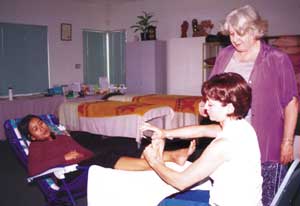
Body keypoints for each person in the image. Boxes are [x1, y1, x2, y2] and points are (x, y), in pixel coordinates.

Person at [201, 5, 298, 206]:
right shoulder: (225, 55)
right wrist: (205, 104)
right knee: (232, 196)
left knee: (267, 199)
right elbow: (213, 89)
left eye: (241, 33)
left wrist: (287, 142)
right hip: (230, 140)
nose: (235, 39)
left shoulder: (276, 58)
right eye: (232, 33)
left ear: (255, 30)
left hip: (265, 142)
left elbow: (291, 102)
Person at [141, 72, 262, 206]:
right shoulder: (242, 127)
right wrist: (164, 132)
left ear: (229, 108)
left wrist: (154, 162)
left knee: (164, 203)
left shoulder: (223, 145)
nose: (204, 108)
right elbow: (202, 130)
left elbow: (181, 182)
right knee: (172, 198)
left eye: (210, 105)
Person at [17, 114, 195, 177]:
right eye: (36, 129)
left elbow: (83, 147)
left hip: (87, 155)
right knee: (108, 156)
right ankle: (167, 161)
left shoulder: (59, 136)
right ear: (31, 137)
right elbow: (33, 169)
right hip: (74, 169)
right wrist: (62, 158)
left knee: (123, 144)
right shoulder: (36, 148)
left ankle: (174, 155)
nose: (41, 127)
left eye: (41, 123)